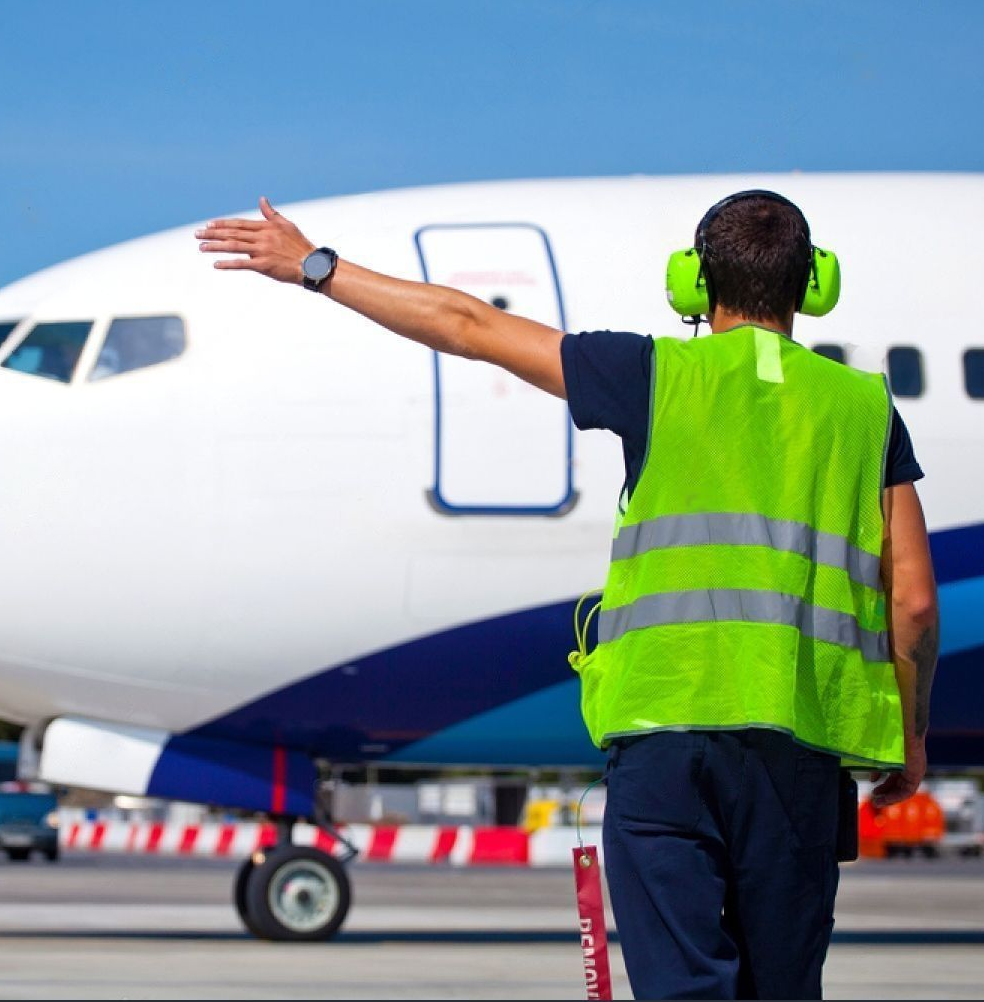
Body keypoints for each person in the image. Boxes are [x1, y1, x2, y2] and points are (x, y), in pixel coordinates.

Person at [197, 192, 939, 999]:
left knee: (684, 986)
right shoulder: (866, 409)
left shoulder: (653, 375)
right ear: (813, 284)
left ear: (692, 282)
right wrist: (910, 734)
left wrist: (318, 267)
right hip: (801, 752)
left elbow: (468, 326)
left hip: (665, 740)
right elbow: (914, 603)